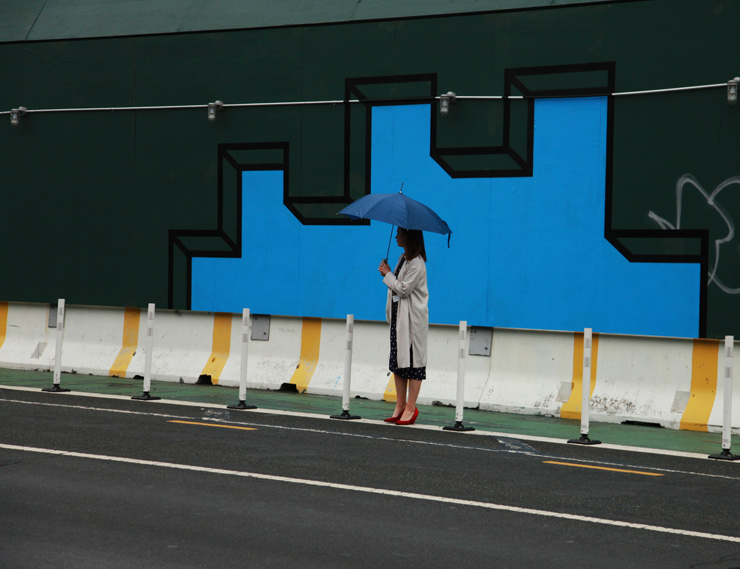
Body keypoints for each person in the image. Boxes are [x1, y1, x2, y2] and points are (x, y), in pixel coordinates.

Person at [378, 227, 429, 426]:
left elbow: (404, 289)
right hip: (399, 318)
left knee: (414, 362)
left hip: (412, 320)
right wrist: (390, 273)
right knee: (398, 361)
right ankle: (400, 405)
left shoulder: (417, 263)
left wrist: (388, 274)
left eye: (400, 233)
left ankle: (410, 407)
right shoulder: (403, 258)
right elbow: (397, 284)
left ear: (409, 236)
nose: (396, 236)